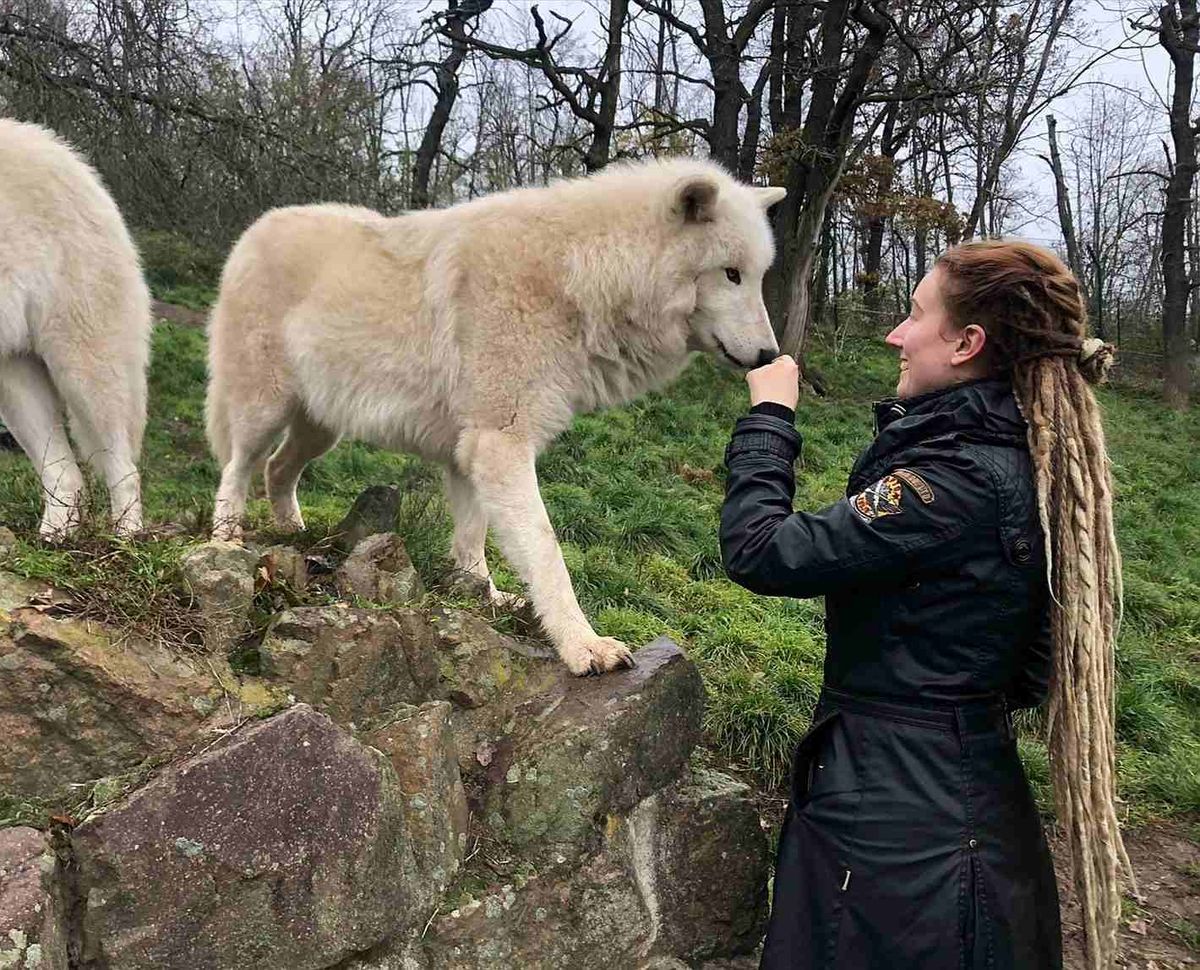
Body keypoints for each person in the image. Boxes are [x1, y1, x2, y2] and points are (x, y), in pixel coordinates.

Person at [720, 239, 1130, 970]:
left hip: (898, 844)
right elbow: (1029, 669)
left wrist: (769, 421)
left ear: (968, 343)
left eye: (914, 316)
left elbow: (762, 549)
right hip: (969, 805)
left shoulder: (957, 480)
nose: (895, 335)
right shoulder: (1025, 458)